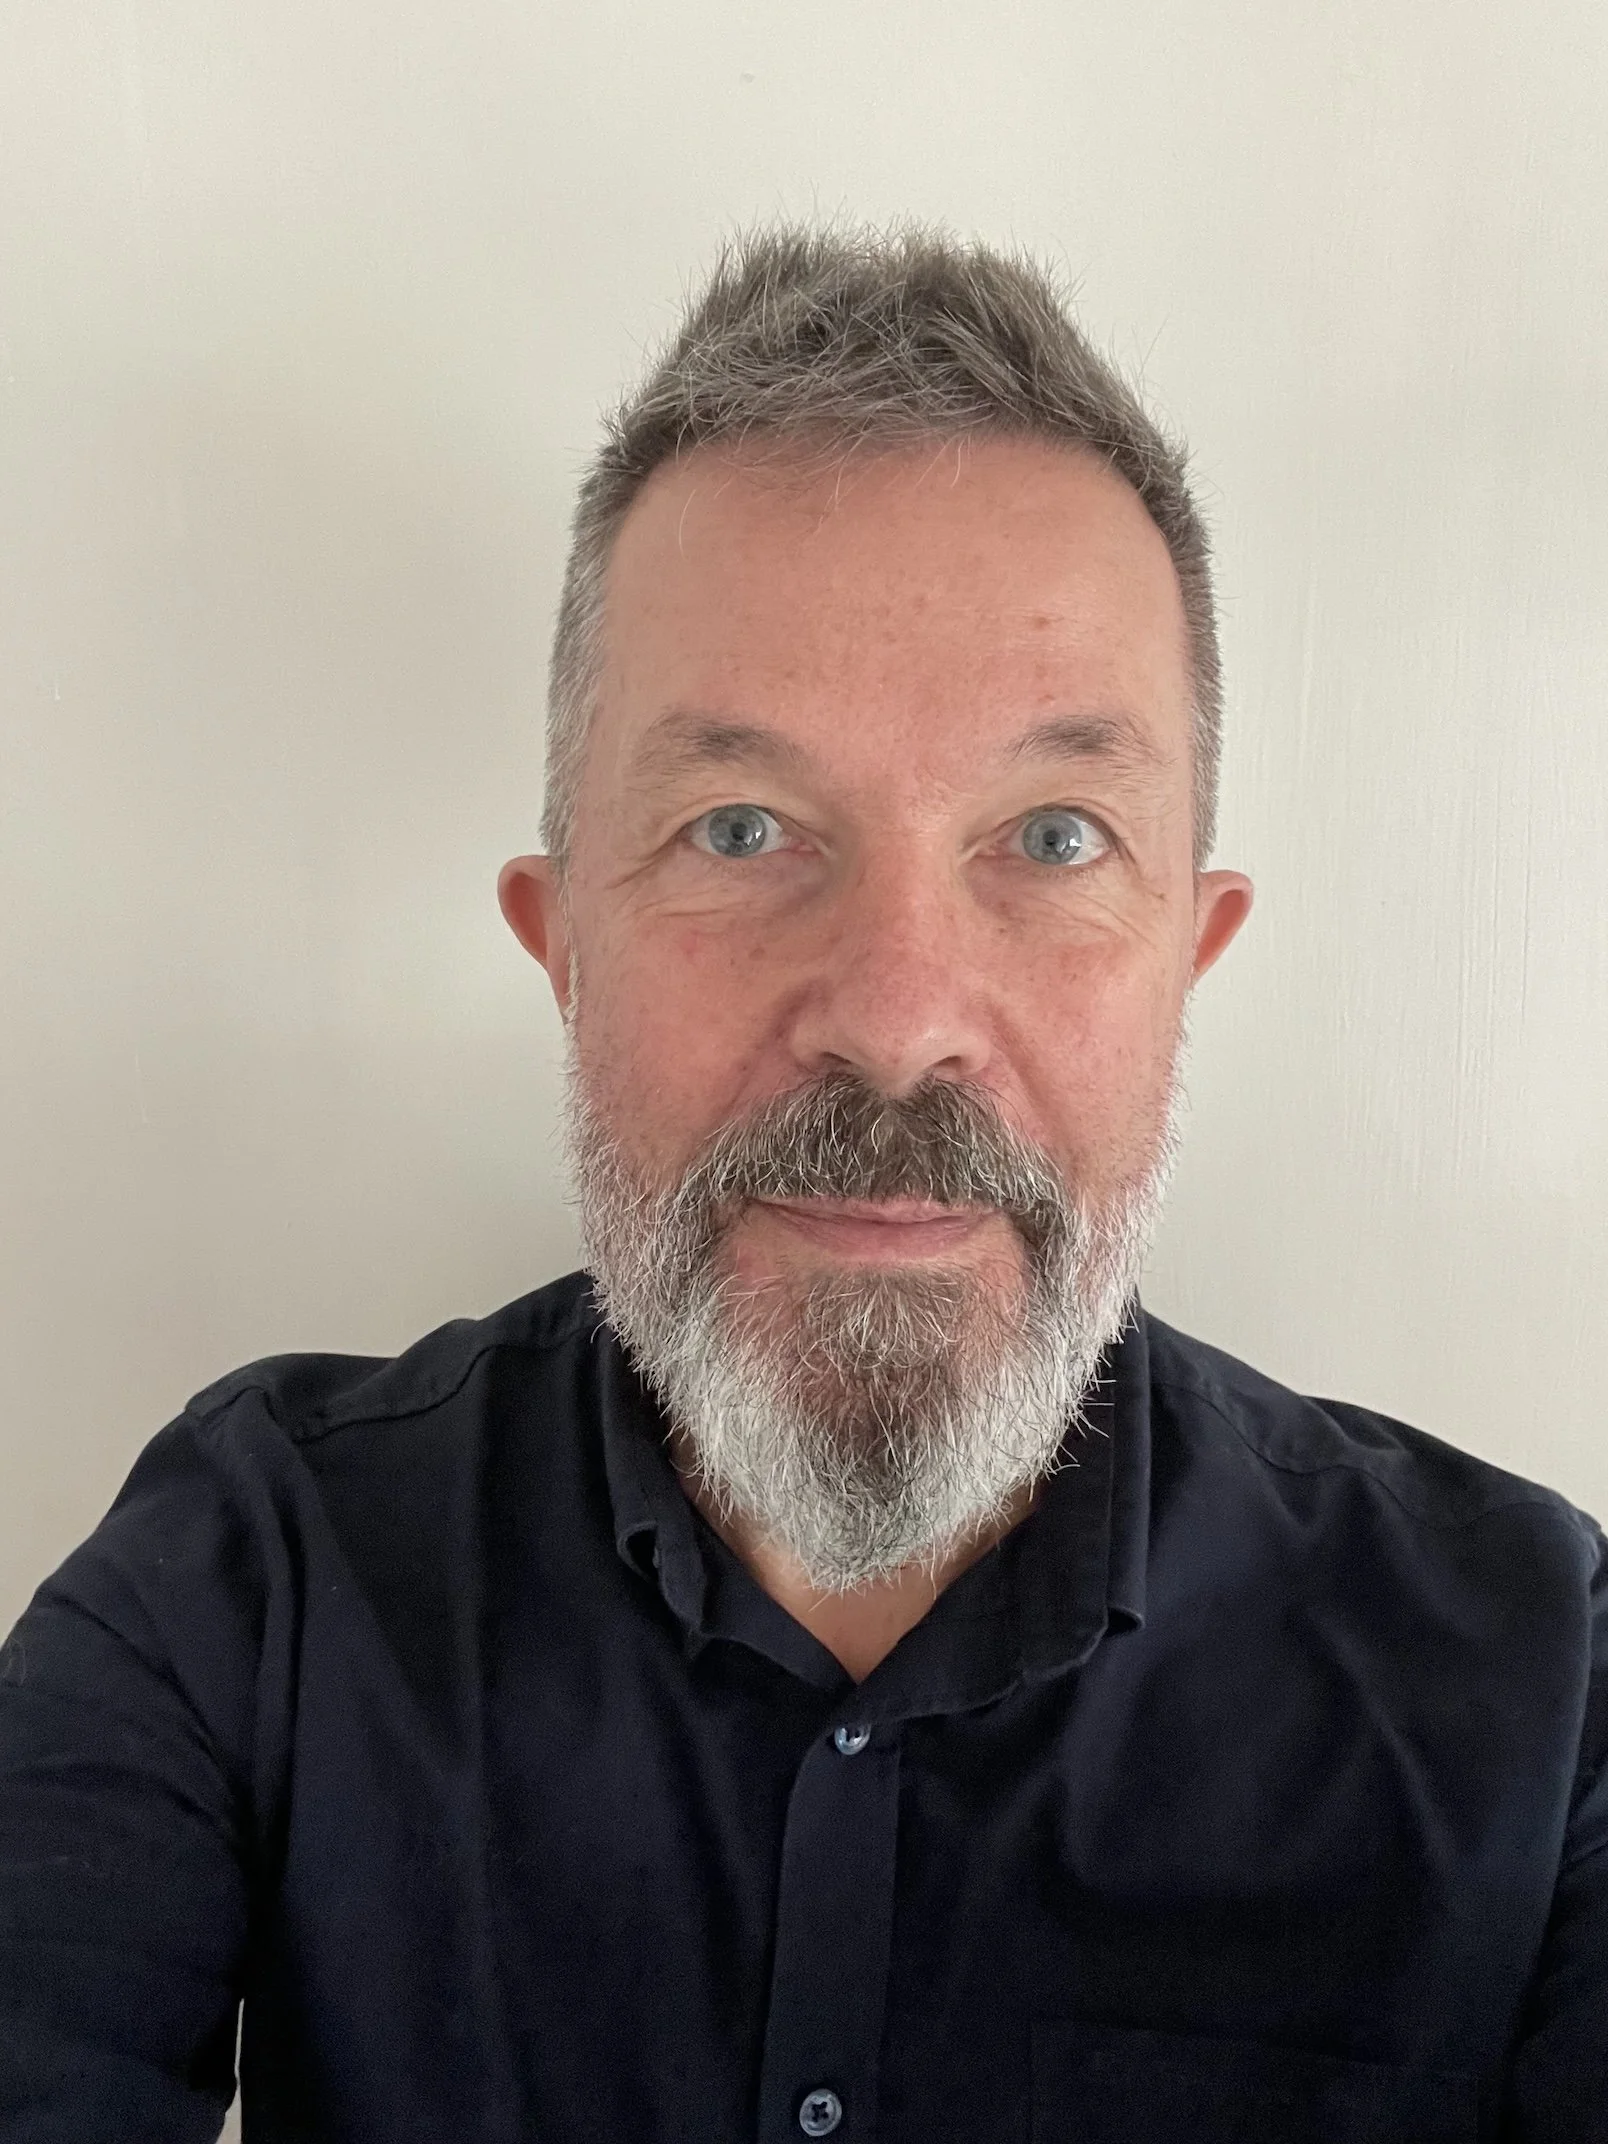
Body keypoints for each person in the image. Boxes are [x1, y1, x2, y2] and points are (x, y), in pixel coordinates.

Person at [0, 220, 1602, 2144]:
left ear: (1191, 949)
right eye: (741, 828)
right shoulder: (256, 1581)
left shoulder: (1540, 1678)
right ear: (561, 940)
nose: (900, 1019)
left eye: (1054, 832)